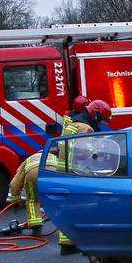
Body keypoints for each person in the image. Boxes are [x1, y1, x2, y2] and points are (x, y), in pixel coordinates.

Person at [46, 99, 109, 254]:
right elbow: (89, 154)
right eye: (101, 119)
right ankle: (86, 244)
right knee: (85, 209)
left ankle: (66, 243)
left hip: (64, 171)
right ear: (96, 114)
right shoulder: (86, 128)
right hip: (78, 173)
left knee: (66, 207)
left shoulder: (72, 125)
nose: (101, 123)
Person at [4, 151, 45, 237]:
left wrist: (16, 201)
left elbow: (15, 183)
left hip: (34, 172)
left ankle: (36, 226)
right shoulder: (53, 157)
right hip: (52, 172)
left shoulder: (28, 160)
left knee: (33, 199)